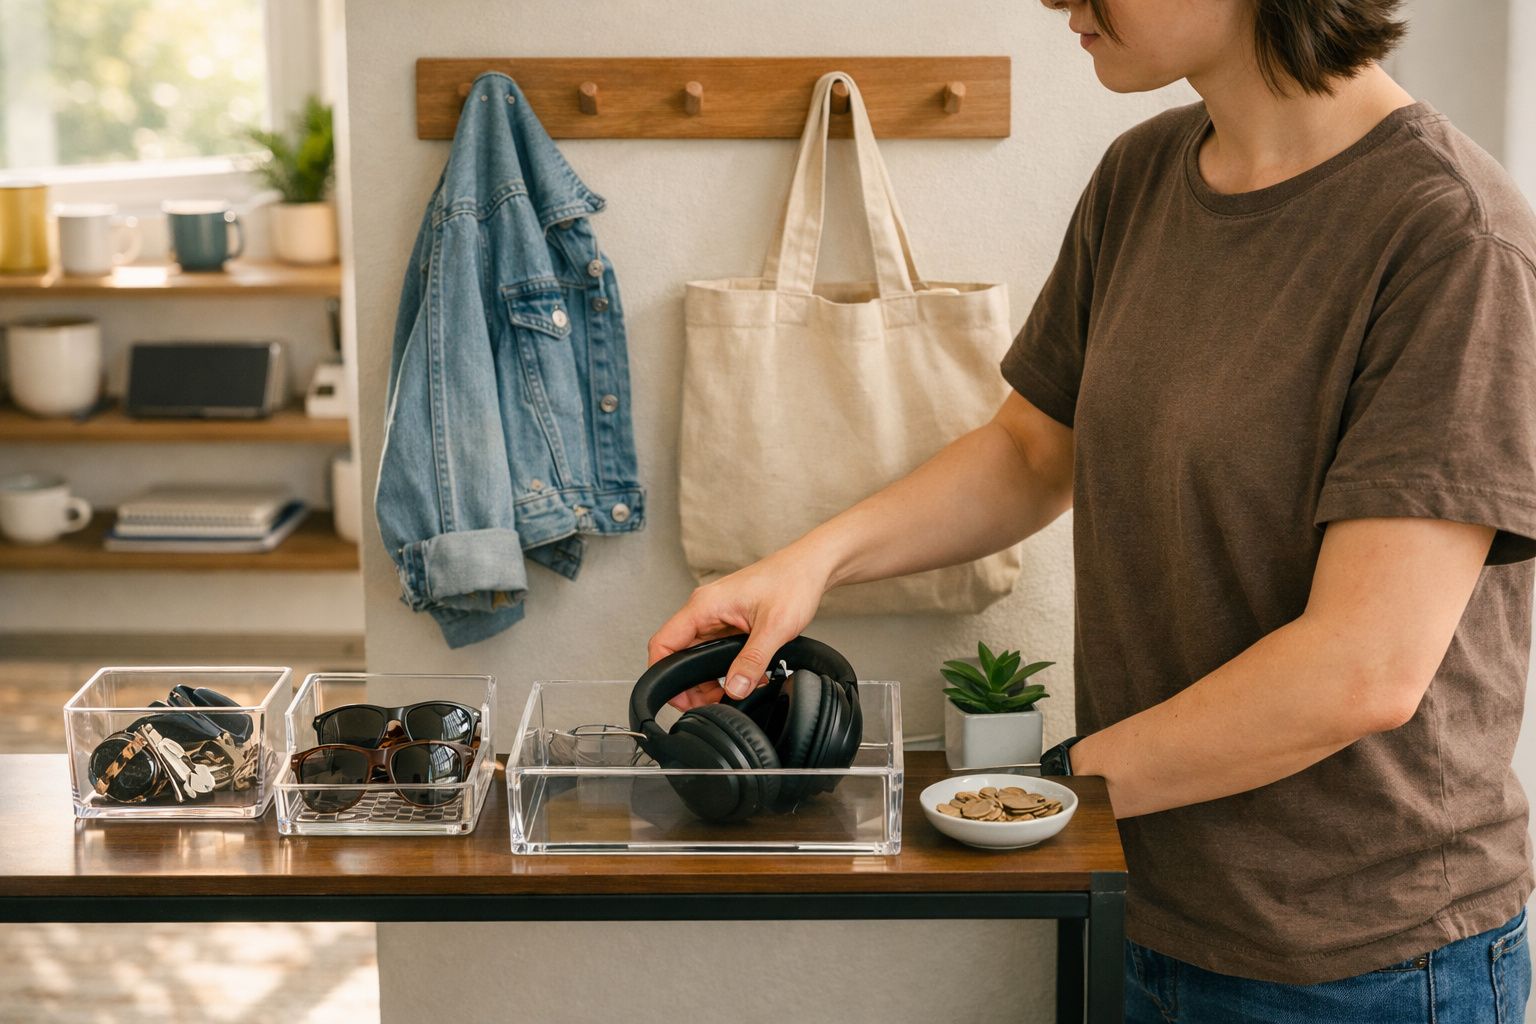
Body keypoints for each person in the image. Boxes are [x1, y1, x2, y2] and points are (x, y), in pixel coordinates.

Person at [647, 0, 1536, 1020]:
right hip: (1140, 898)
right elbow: (1033, 450)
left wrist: (1033, 790)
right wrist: (806, 564)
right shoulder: (1144, 176)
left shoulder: (1454, 238)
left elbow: (1362, 669)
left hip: (1363, 959)